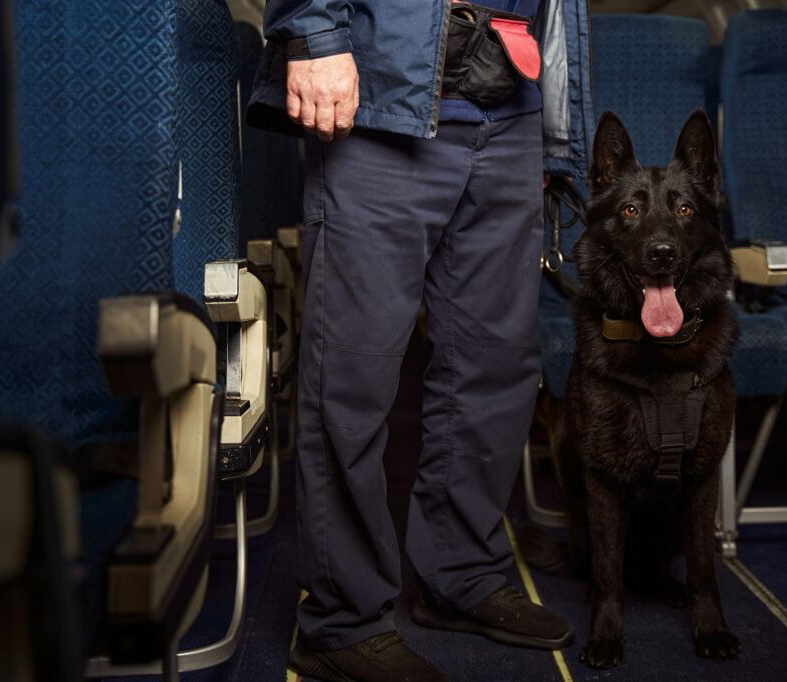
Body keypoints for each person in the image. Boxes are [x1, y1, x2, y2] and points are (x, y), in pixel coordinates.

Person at [247, 1, 593, 679]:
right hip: (382, 95)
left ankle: (462, 574)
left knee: (495, 365)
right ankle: (341, 622)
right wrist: (315, 34)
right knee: (352, 373)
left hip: (514, 103)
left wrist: (557, 134)